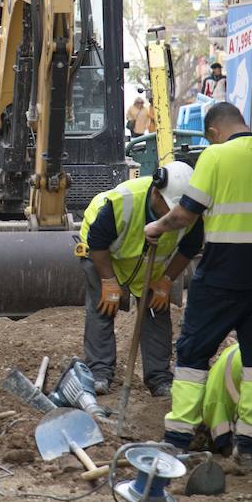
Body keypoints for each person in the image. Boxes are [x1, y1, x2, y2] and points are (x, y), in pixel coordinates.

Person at [145, 101, 252, 471]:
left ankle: (177, 442)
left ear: (214, 132)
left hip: (221, 276)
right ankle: (249, 448)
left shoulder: (215, 157)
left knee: (191, 355)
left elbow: (186, 214)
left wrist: (155, 227)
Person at [77, 161, 202, 397]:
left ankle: (159, 378)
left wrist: (166, 281)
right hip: (104, 254)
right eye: (169, 211)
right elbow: (97, 242)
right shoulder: (123, 201)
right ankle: (99, 373)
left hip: (147, 264)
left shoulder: (189, 212)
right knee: (103, 307)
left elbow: (190, 248)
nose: (175, 219)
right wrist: (109, 282)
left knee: (156, 309)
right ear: (156, 194)